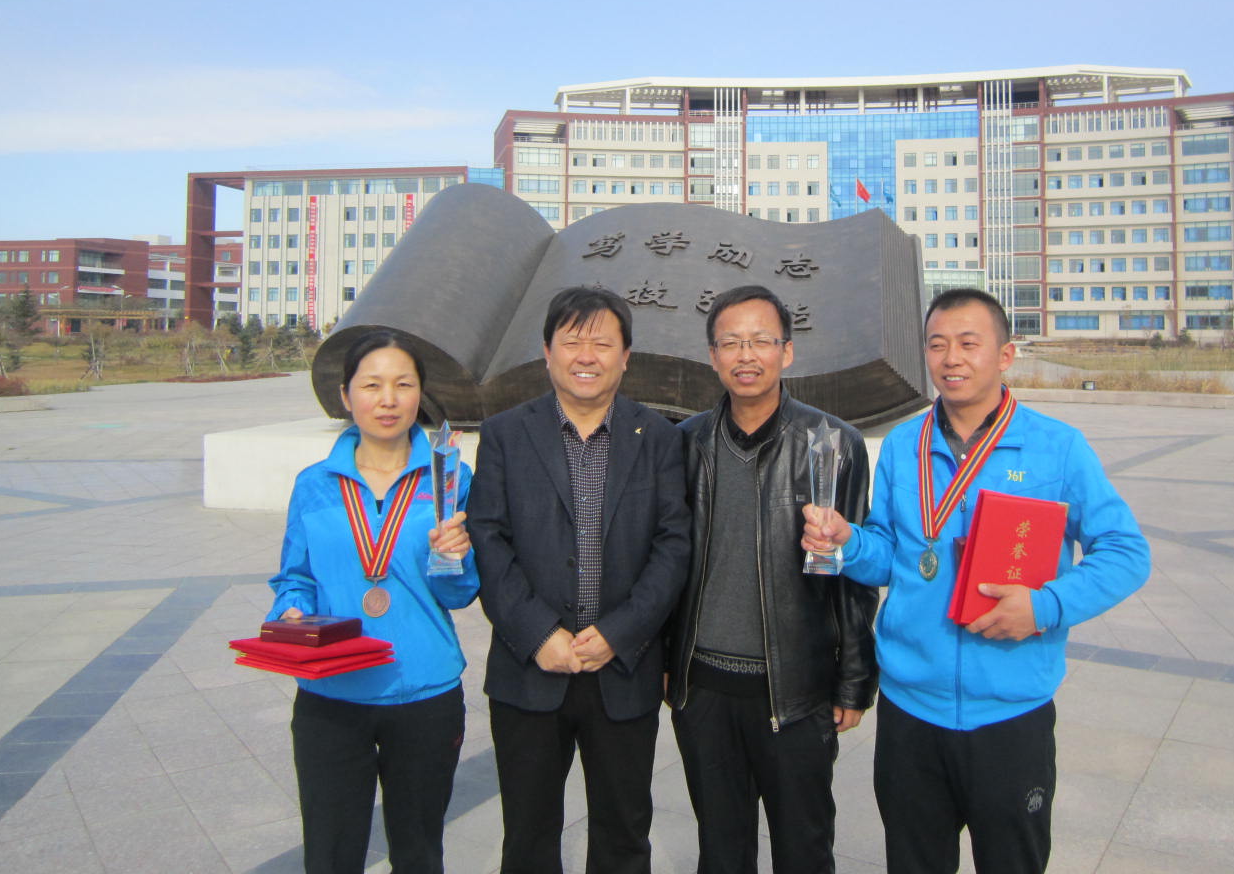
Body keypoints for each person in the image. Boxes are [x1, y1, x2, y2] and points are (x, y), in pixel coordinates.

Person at [803, 288, 1150, 874]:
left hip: (1010, 715)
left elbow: (1126, 551)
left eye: (969, 343)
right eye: (937, 345)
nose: (952, 358)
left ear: (1005, 355)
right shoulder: (906, 445)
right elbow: (890, 555)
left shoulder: (1056, 447)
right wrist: (846, 543)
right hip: (911, 712)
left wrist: (1045, 606)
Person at [467, 285, 691, 874]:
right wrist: (539, 633)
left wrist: (620, 632)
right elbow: (488, 540)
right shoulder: (505, 434)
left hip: (622, 669)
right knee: (528, 837)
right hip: (530, 669)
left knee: (624, 836)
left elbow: (673, 546)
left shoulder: (659, 438)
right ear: (547, 352)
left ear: (626, 356)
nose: (586, 356)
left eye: (602, 343)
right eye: (572, 342)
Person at [667, 285, 878, 874]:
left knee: (804, 849)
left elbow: (855, 576)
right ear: (712, 355)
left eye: (761, 340)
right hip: (704, 690)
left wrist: (854, 680)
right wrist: (665, 660)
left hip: (796, 690)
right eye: (731, 342)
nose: (746, 355)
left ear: (787, 351)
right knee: (721, 851)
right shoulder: (685, 444)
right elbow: (669, 562)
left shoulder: (834, 444)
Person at [268, 329, 478, 874]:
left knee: (418, 853)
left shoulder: (450, 478)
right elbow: (295, 577)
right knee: (331, 854)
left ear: (420, 395)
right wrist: (290, 612)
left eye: (403, 385)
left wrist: (454, 558)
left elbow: (459, 594)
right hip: (331, 695)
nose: (388, 399)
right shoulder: (314, 484)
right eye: (372, 385)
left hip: (424, 693)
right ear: (346, 395)